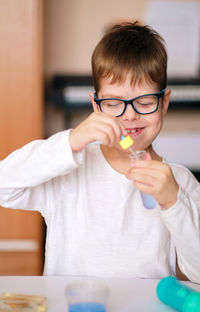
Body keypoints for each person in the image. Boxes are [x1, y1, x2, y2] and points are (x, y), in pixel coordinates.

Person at [0, 21, 199, 282]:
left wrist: (174, 203)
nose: (130, 115)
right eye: (114, 103)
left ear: (164, 103)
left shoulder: (179, 183)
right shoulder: (69, 169)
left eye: (145, 102)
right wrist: (69, 142)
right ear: (96, 105)